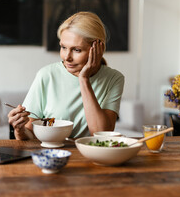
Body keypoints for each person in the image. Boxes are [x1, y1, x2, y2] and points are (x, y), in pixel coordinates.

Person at [8, 11, 125, 140]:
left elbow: (101, 135)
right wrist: (19, 130)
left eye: (76, 50)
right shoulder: (46, 75)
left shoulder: (114, 79)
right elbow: (30, 134)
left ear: (98, 49)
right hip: (53, 154)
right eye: (63, 47)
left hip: (89, 155)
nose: (67, 57)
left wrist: (84, 79)